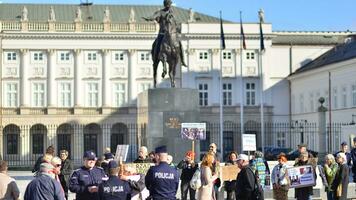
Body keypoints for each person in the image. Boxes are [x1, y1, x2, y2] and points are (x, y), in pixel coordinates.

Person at [142, 0, 187, 67]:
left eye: (169, 4)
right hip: (162, 33)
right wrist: (149, 18)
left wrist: (176, 28)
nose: (169, 6)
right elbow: (153, 16)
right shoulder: (160, 12)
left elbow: (175, 23)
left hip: (172, 34)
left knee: (179, 44)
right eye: (167, 4)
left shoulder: (173, 13)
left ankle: (183, 60)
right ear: (165, 5)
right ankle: (155, 58)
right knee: (157, 44)